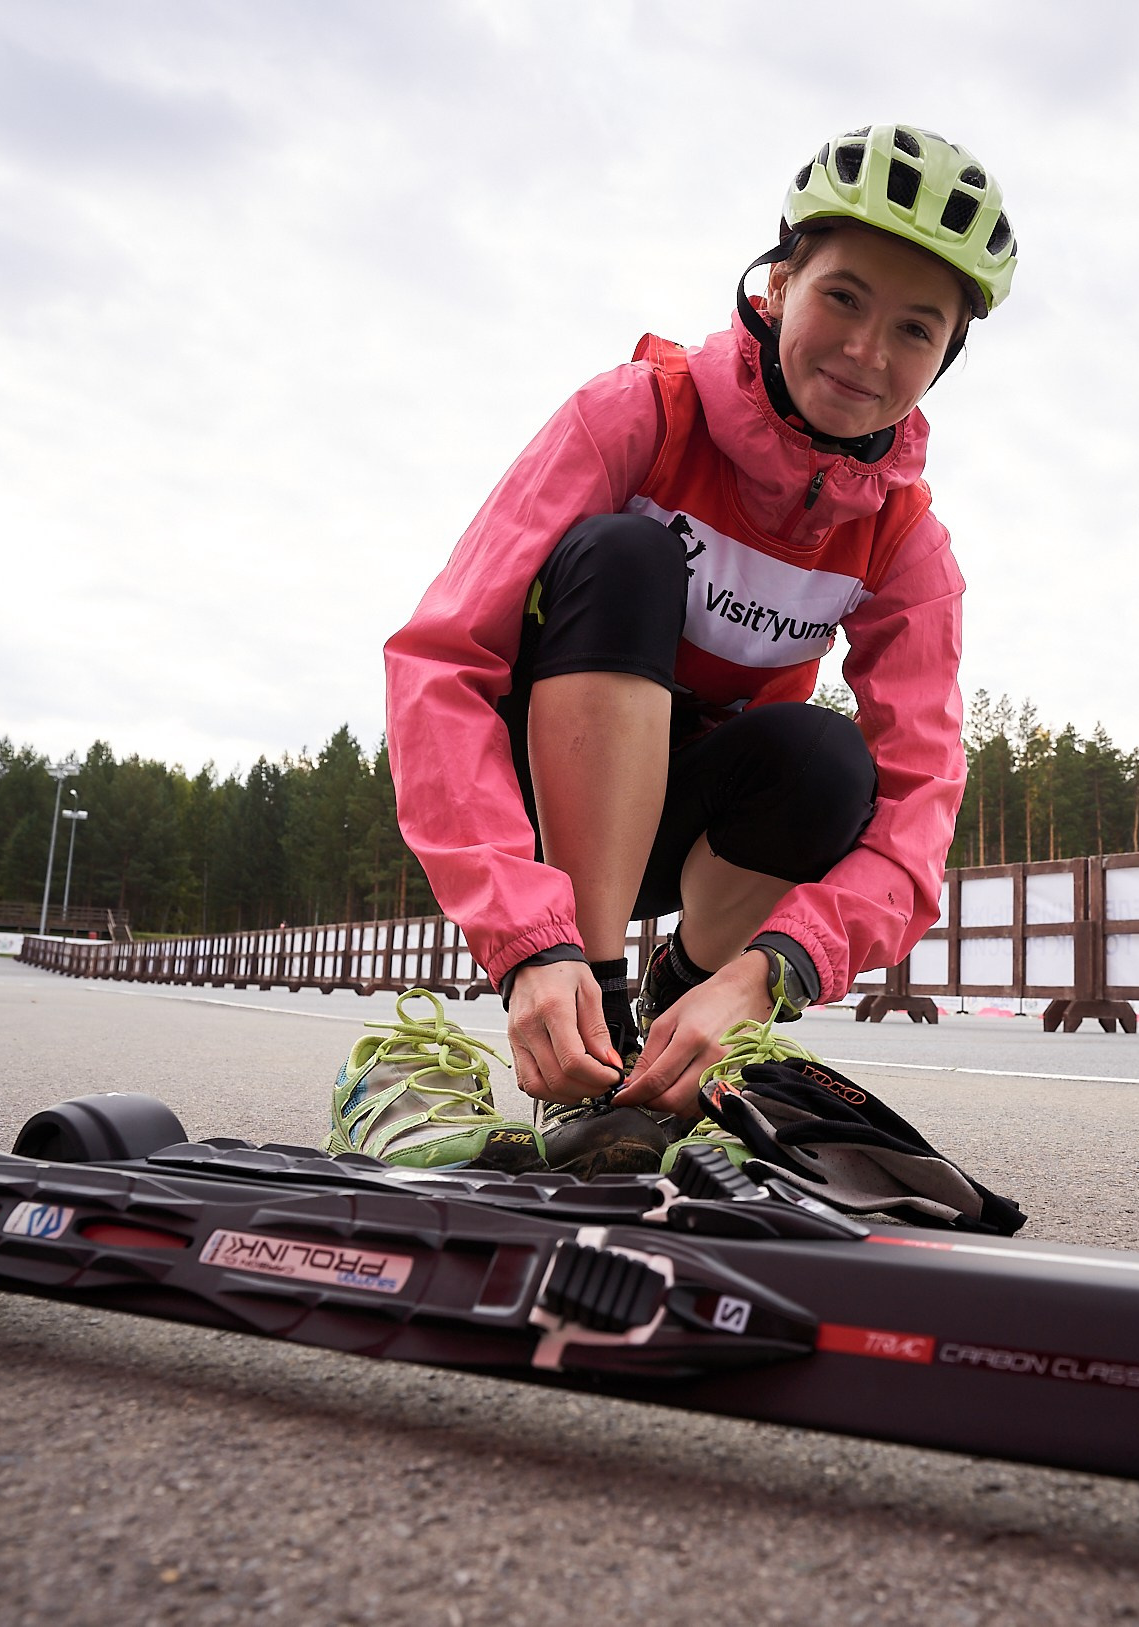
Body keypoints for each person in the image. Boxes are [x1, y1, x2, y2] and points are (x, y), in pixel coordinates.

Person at [339, 125, 1013, 1175]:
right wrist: (530, 939)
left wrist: (765, 975)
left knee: (826, 759)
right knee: (629, 557)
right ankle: (590, 1000)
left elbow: (918, 814)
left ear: (946, 357)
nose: (866, 352)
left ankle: (672, 1023)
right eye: (841, 296)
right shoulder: (635, 415)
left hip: (690, 829)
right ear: (779, 282)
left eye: (916, 330)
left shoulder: (906, 545)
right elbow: (439, 663)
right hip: (536, 807)